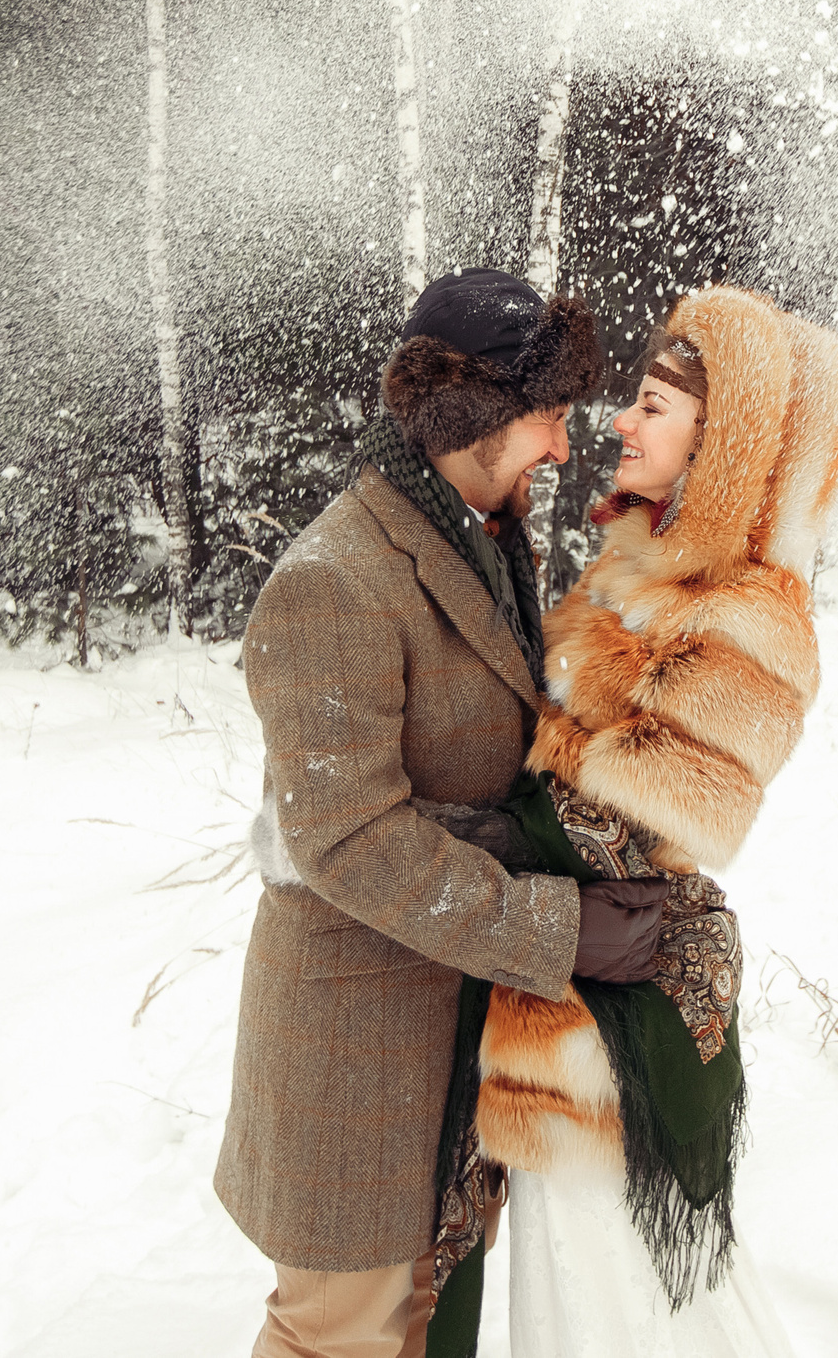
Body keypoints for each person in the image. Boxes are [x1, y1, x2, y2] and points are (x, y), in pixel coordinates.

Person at [216, 268, 674, 1358]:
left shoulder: (476, 536)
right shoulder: (333, 580)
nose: (564, 448)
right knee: (343, 1335)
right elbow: (345, 838)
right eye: (548, 417)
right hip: (358, 1048)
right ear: (473, 416)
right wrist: (557, 930)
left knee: (419, 1328)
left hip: (452, 1036)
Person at [444, 285, 838, 1358]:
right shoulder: (630, 574)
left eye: (650, 406)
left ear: (715, 443)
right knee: (586, 1306)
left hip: (614, 1040)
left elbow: (630, 829)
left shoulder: (750, 616)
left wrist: (437, 832)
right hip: (565, 1012)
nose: (621, 425)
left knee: (623, 1312)